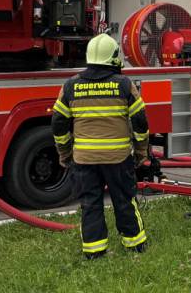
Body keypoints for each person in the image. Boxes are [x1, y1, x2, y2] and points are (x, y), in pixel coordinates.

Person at [52, 34, 149, 259]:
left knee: (90, 204)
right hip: (118, 158)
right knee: (124, 200)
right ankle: (135, 246)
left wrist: (64, 153)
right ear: (113, 57)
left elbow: (58, 123)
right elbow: (140, 121)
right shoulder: (124, 85)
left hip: (84, 160)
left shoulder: (71, 86)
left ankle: (94, 252)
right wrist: (141, 151)